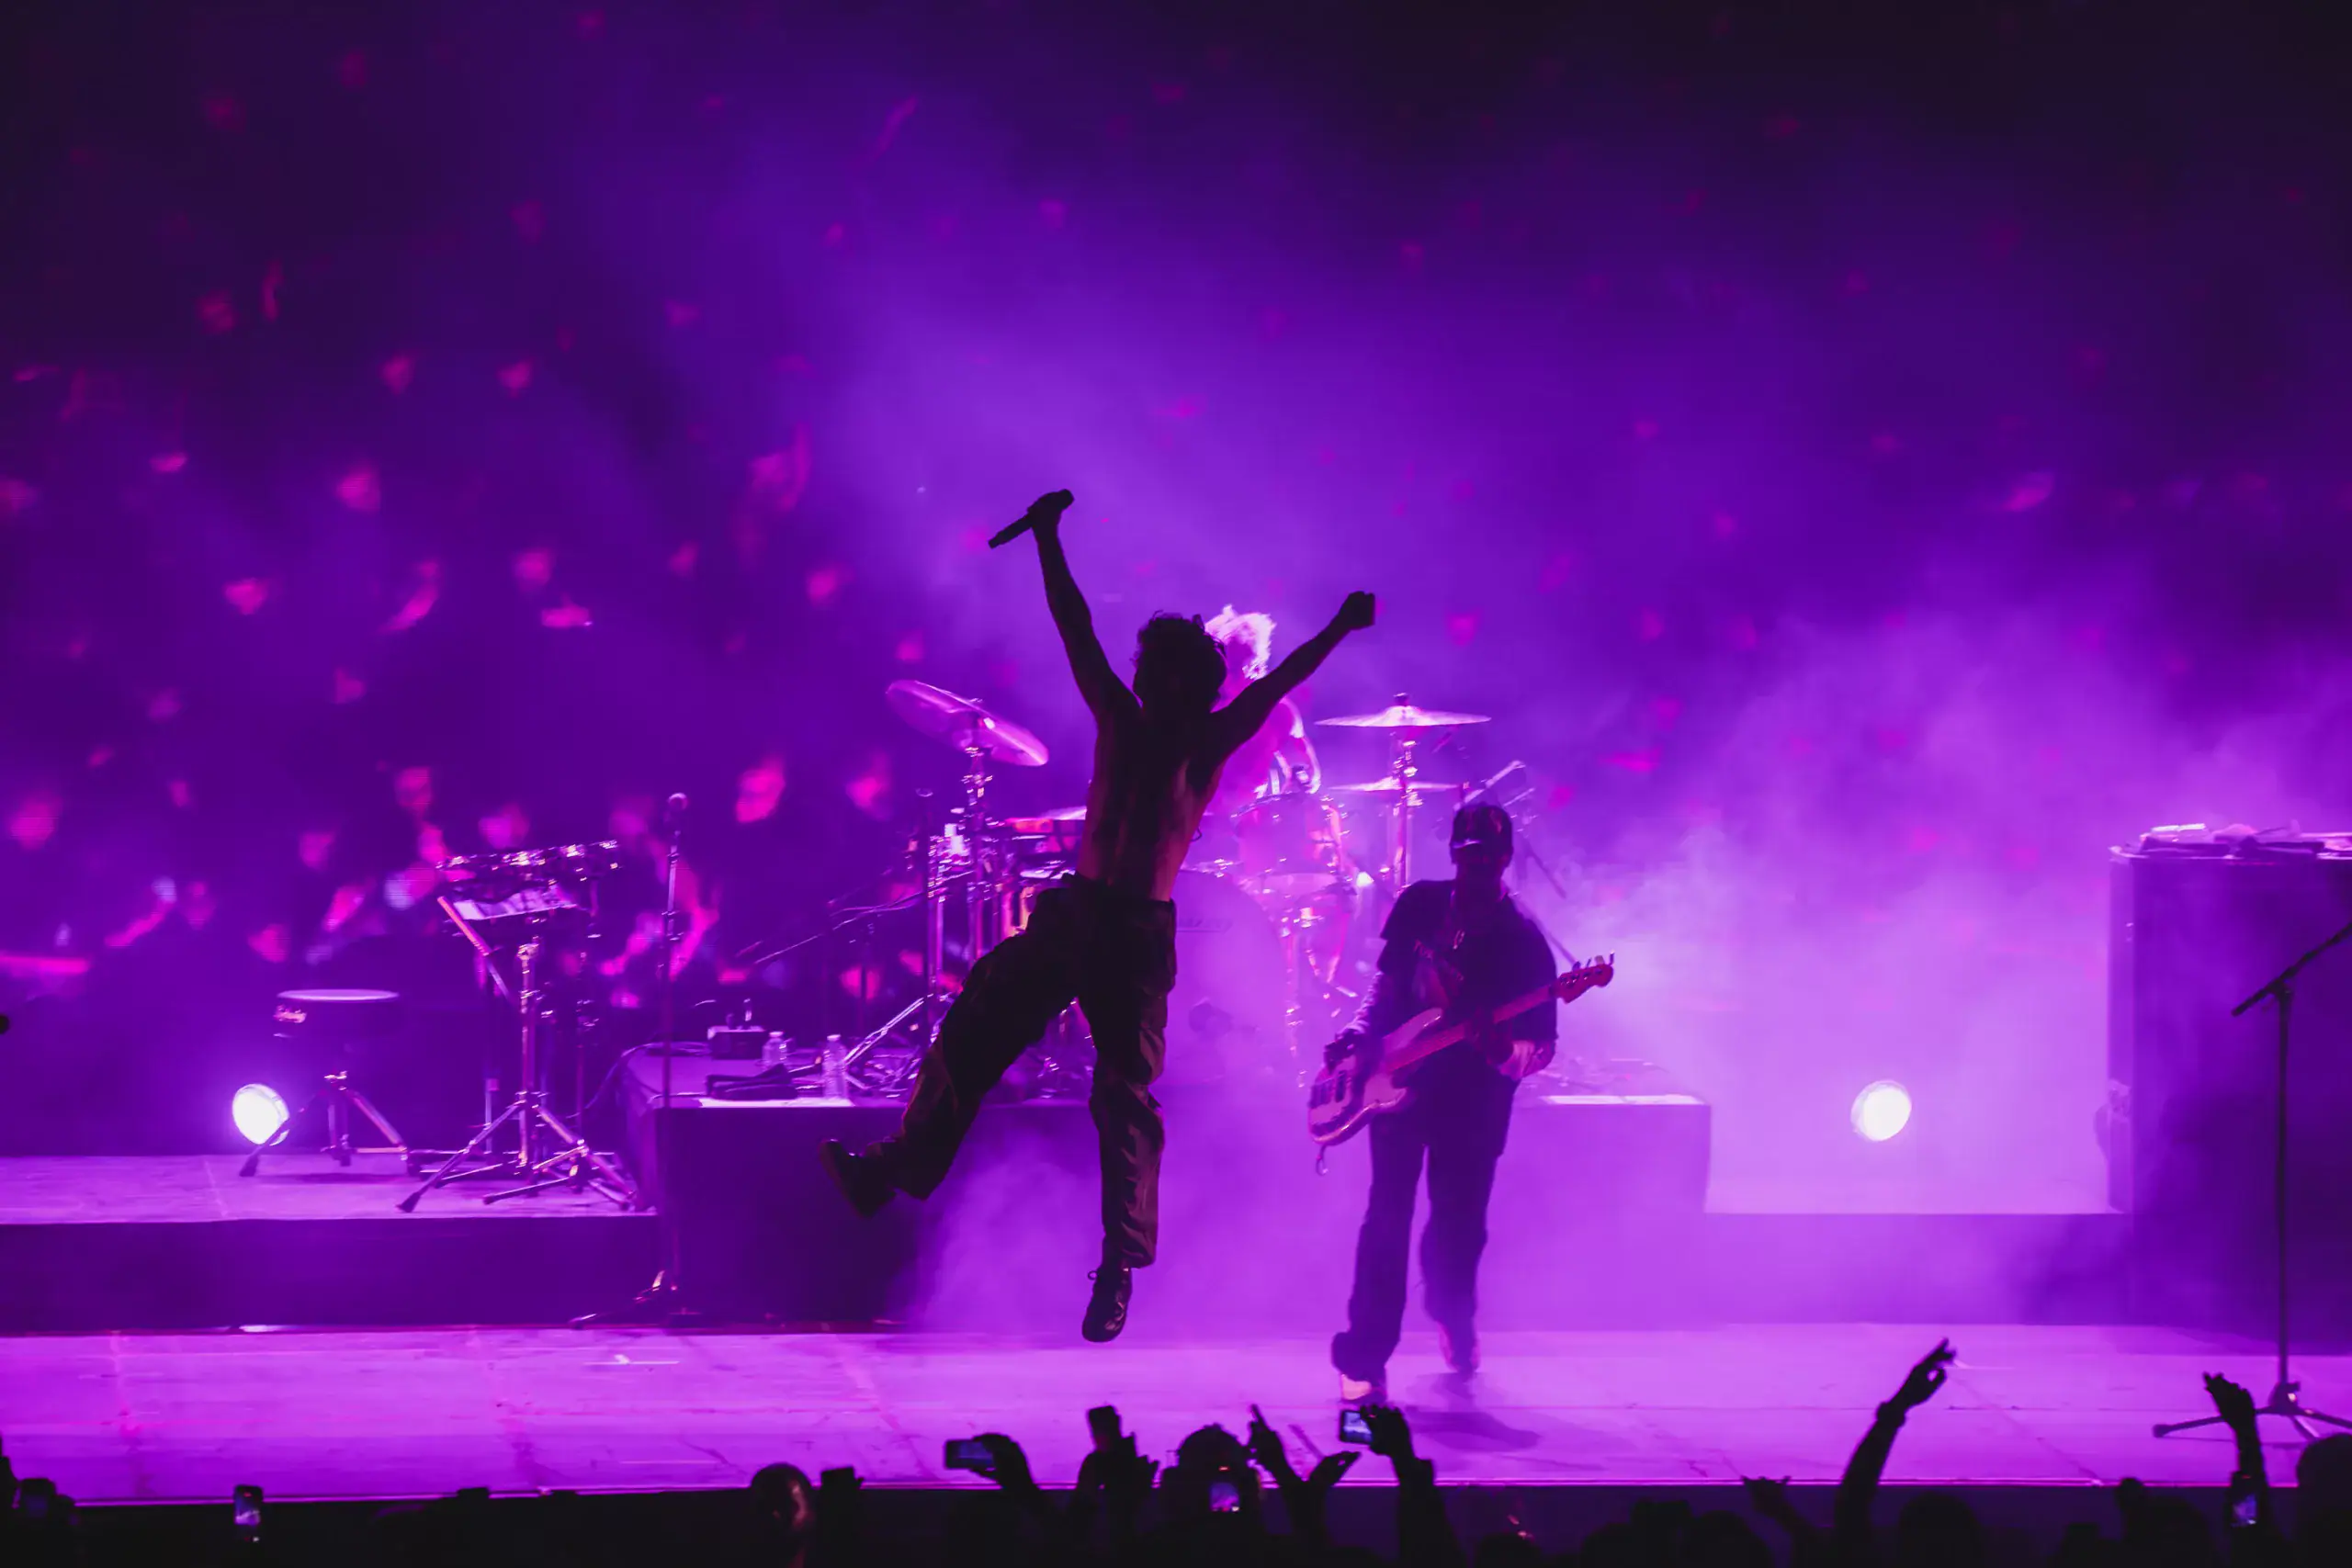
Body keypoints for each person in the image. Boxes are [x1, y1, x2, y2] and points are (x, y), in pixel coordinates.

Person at [825, 490, 1377, 1341]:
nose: (1144, 678)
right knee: (975, 1019)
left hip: (1134, 934)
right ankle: (892, 1167)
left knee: (1124, 1097)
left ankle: (1120, 1263)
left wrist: (1339, 627)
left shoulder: (1209, 737)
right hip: (1076, 911)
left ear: (1188, 684)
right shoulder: (1121, 717)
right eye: (1146, 668)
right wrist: (1047, 538)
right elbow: (1073, 624)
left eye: (1160, 671)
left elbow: (1285, 678)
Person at [1329, 803, 1557, 1403]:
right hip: (1401, 1087)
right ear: (1453, 853)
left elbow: (1541, 1050)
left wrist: (1499, 1046)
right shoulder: (1420, 905)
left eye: (1487, 856)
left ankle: (1453, 1314)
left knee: (1457, 1228)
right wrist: (1359, 1031)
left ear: (1506, 859)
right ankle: (1366, 1353)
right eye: (1465, 854)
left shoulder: (1523, 940)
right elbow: (1383, 985)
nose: (1474, 866)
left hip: (1474, 1104)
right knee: (1386, 1218)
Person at [1202, 604, 1322, 816]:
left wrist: (1296, 786)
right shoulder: (1198, 706)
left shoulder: (1278, 712)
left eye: (1234, 668)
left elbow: (1305, 772)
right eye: (1223, 667)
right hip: (1192, 824)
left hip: (1247, 827)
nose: (1226, 677)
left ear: (1255, 666)